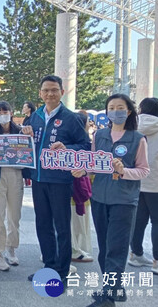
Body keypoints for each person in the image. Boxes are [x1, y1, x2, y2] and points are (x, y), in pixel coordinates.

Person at [72, 94, 149, 307]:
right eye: (112, 107)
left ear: (129, 111)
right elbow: (96, 163)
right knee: (105, 248)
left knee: (117, 248)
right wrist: (84, 170)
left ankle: (108, 297)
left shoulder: (138, 138)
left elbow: (144, 170)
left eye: (120, 107)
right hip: (100, 198)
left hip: (124, 200)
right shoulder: (100, 135)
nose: (116, 111)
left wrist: (124, 171)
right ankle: (115, 288)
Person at [21, 75, 90, 285]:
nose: (50, 94)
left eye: (54, 90)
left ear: (62, 91)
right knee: (43, 224)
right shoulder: (35, 117)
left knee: (61, 225)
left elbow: (85, 145)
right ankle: (49, 267)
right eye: (46, 90)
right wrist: (24, 134)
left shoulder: (71, 118)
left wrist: (67, 148)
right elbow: (26, 144)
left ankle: (63, 270)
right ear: (40, 93)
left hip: (61, 180)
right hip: (39, 179)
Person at [0, 101, 28, 271]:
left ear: (11, 112)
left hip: (16, 174)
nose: (2, 114)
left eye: (5, 111)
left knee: (14, 215)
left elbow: (27, 153)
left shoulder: (20, 131)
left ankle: (11, 248)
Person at [128, 97, 158, 275]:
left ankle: (136, 254)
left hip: (135, 181)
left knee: (138, 220)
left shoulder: (132, 127)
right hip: (157, 183)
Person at [70, 111, 94, 264]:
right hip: (78, 190)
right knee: (75, 221)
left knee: (72, 220)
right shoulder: (84, 142)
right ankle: (74, 250)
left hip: (76, 190)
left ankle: (73, 248)